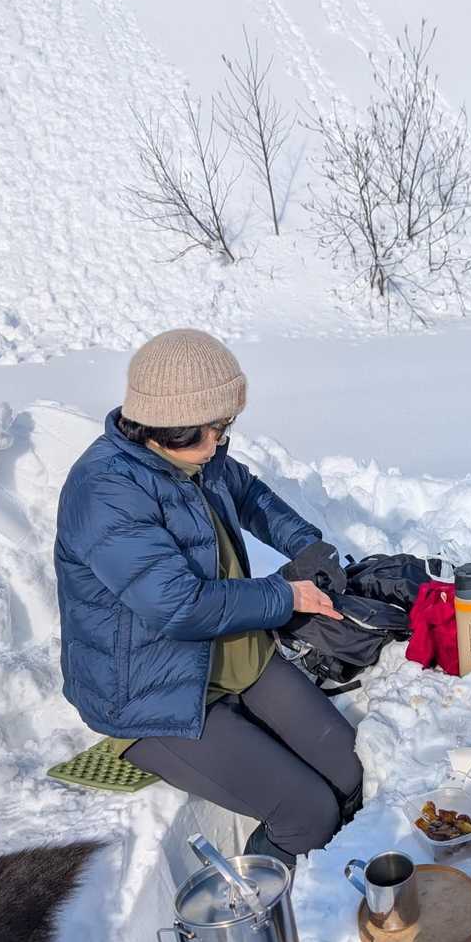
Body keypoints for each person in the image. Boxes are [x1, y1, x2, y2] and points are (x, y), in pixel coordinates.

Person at [54, 329, 362, 866]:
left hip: (235, 657)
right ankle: (260, 904)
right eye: (213, 429)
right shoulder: (105, 491)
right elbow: (177, 605)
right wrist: (285, 595)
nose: (221, 442)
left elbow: (250, 495)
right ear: (170, 424)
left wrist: (308, 546)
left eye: (226, 426)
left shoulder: (199, 456)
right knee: (307, 812)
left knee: (350, 772)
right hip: (153, 696)